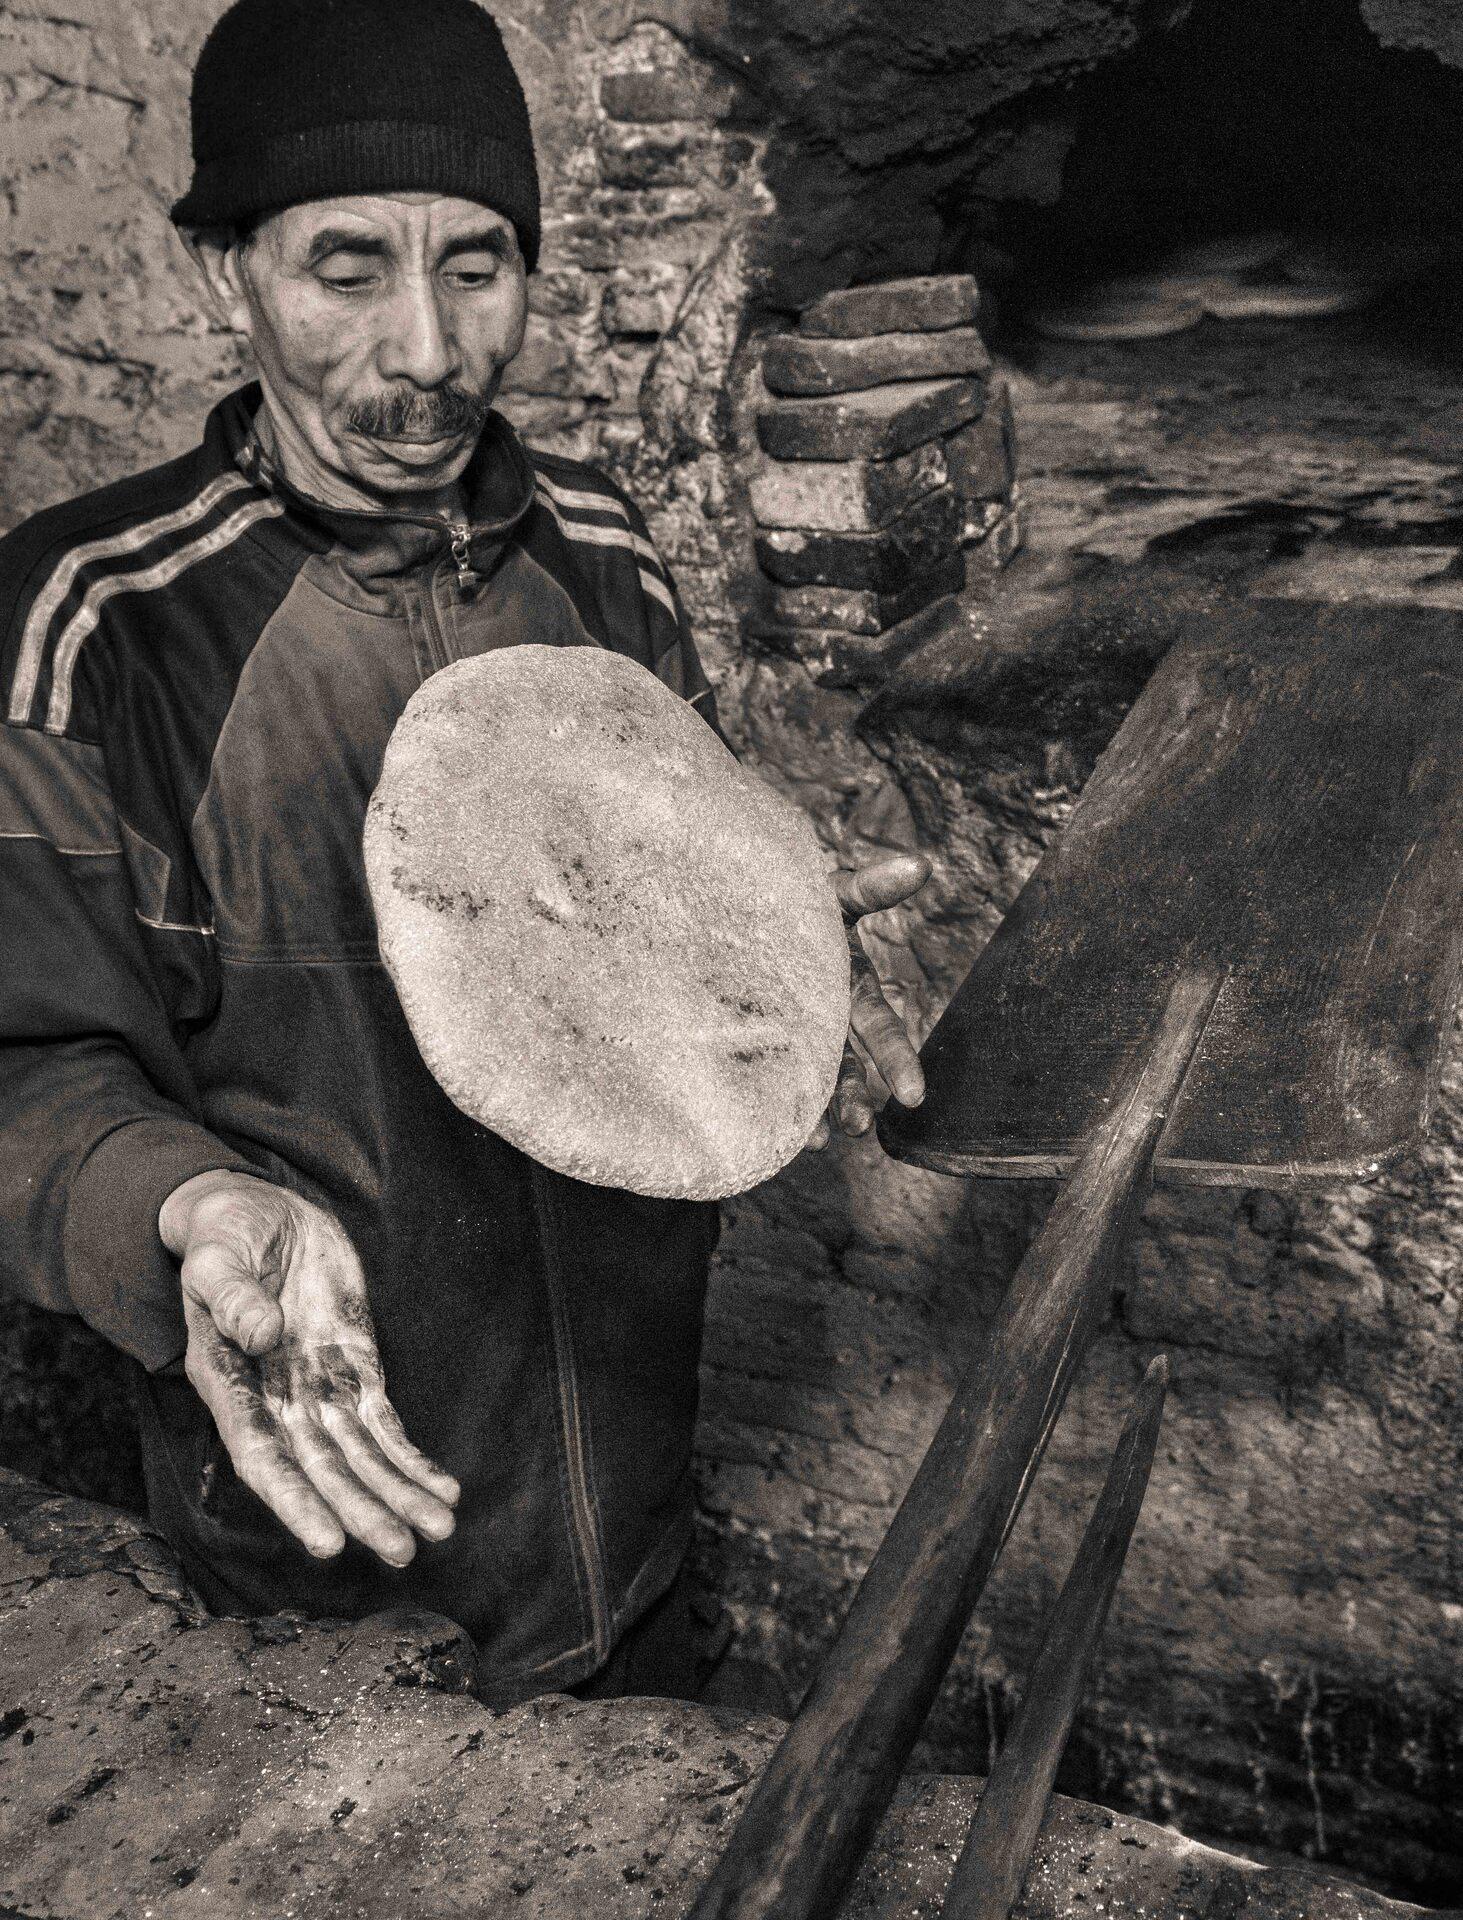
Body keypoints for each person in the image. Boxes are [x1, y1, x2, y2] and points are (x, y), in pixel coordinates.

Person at [0, 0, 927, 1705]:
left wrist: (772, 951)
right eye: (347, 268)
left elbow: (654, 926)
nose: (427, 350)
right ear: (224, 272)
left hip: (631, 1522)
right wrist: (182, 1202)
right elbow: (24, 1066)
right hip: (320, 1559)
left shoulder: (604, 554)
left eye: (477, 265)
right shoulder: (94, 623)